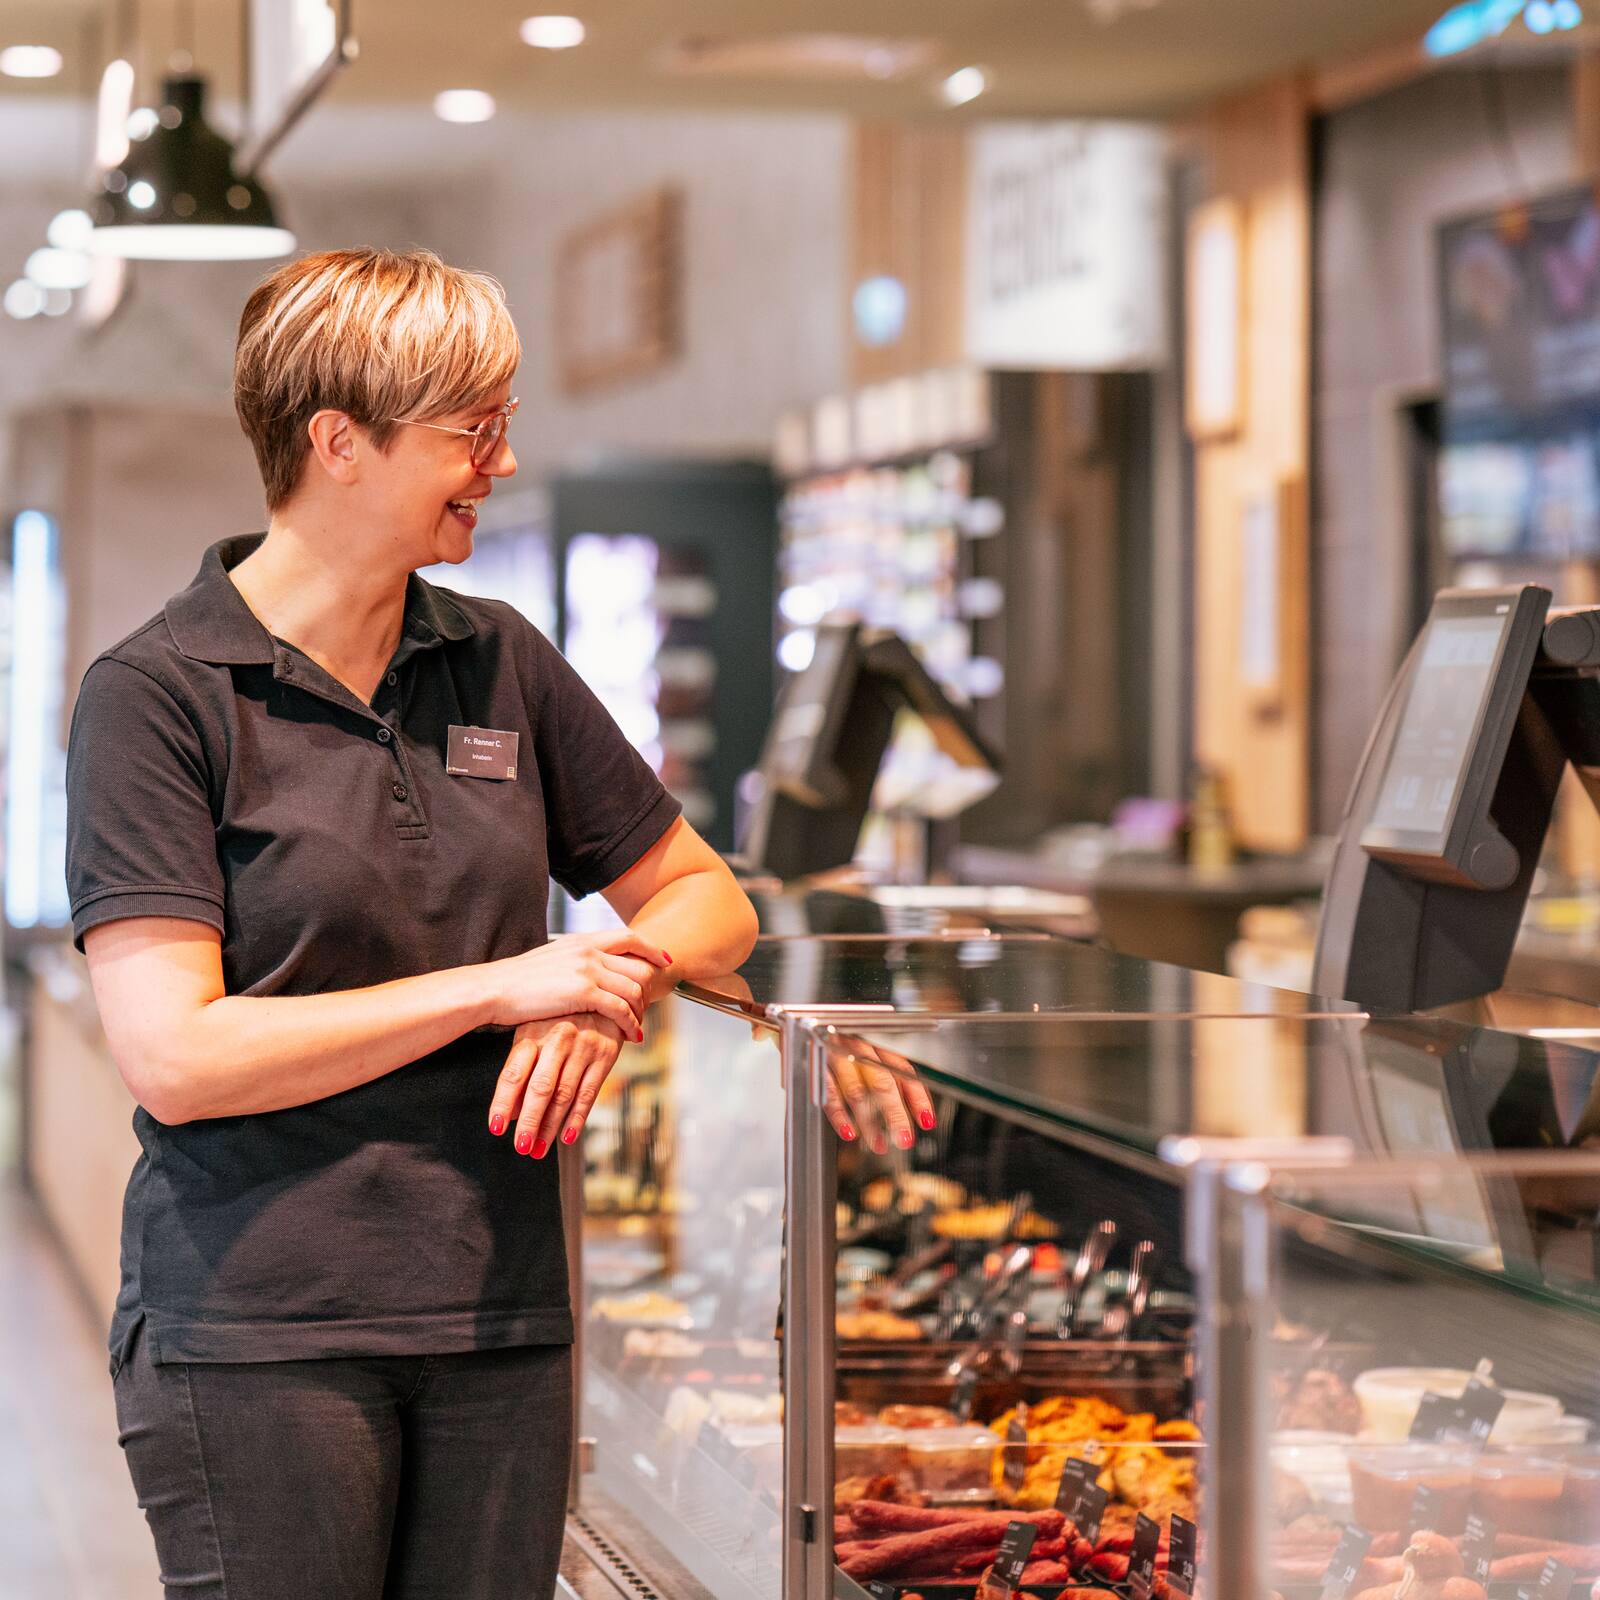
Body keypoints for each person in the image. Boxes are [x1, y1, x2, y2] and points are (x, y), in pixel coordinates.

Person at [64, 247, 759, 1600]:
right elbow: (177, 1058)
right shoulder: (156, 697)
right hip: (259, 1336)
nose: (498, 462)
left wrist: (608, 981)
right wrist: (505, 989)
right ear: (340, 443)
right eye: (472, 429)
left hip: (500, 1317)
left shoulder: (501, 657)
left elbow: (708, 899)